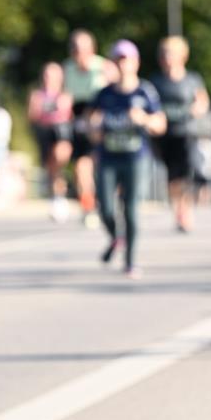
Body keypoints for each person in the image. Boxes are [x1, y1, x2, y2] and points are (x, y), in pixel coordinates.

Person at [91, 40, 166, 278]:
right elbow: (90, 124)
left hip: (136, 157)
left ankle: (130, 261)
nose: (123, 65)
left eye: (127, 60)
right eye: (118, 60)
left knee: (131, 208)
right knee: (105, 207)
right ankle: (116, 237)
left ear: (136, 63)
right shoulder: (104, 94)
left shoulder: (145, 91)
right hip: (109, 157)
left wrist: (143, 119)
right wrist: (94, 127)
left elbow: (160, 124)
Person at [149, 36, 209, 232]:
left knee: (187, 174)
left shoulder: (192, 79)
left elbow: (202, 101)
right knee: (173, 177)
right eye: (165, 54)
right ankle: (178, 210)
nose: (168, 58)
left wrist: (195, 110)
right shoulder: (156, 81)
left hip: (187, 132)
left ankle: (186, 211)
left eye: (172, 54)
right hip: (166, 135)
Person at [63, 30, 116, 229]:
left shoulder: (104, 67)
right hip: (79, 121)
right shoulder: (67, 69)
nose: (79, 53)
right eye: (75, 48)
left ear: (91, 49)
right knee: (81, 168)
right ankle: (88, 206)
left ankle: (109, 201)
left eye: (83, 48)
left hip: (101, 119)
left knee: (103, 166)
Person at [28, 62, 73, 219]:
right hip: (45, 133)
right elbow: (33, 115)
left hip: (61, 133)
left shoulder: (65, 95)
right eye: (46, 76)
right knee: (51, 169)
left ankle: (63, 192)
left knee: (58, 157)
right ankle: (58, 197)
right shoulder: (38, 95)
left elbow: (66, 114)